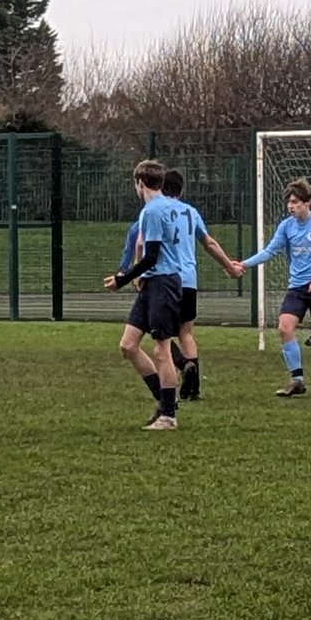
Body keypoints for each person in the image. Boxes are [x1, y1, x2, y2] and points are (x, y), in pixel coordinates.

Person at [231, 177, 311, 399]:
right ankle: (297, 380)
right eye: (289, 202)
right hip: (297, 288)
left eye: (295, 201)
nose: (291, 206)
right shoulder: (286, 226)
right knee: (284, 327)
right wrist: (244, 264)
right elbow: (270, 250)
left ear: (308, 202)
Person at [103, 159, 184, 430]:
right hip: (152, 284)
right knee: (128, 345)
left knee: (161, 350)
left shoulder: (151, 211)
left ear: (140, 183)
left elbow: (151, 256)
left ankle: (169, 416)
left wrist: (122, 278)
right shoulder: (165, 207)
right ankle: (165, 400)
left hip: (163, 283)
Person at [161, 168, 239, 400]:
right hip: (189, 280)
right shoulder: (191, 212)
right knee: (186, 332)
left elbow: (144, 243)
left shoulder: (157, 211)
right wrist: (229, 266)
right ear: (181, 189)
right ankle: (193, 388)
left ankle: (183, 364)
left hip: (166, 278)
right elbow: (209, 243)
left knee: (158, 334)